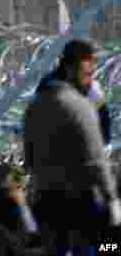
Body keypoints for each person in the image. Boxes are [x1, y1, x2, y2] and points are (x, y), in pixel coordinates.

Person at [24, 38, 121, 254]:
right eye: (86, 75)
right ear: (70, 70)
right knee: (108, 249)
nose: (89, 81)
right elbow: (97, 159)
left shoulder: (35, 106)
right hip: (81, 204)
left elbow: (29, 159)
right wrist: (112, 200)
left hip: (45, 201)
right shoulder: (80, 105)